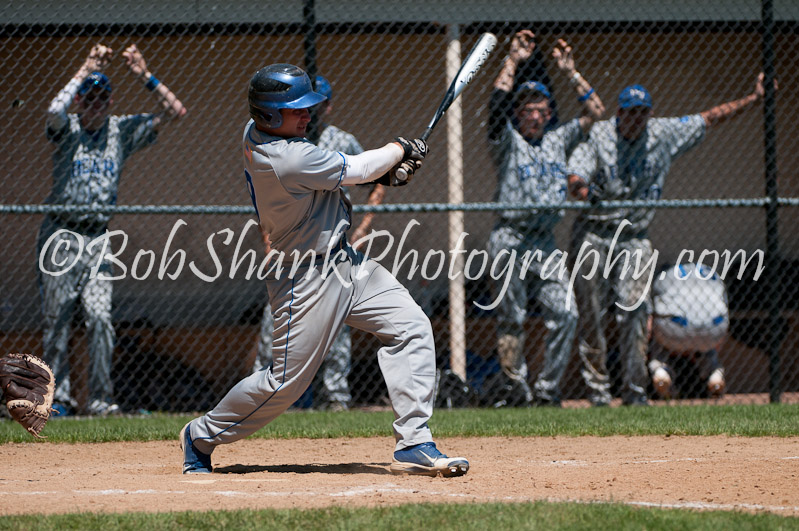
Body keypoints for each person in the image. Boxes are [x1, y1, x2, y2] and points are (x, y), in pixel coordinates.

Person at [181, 63, 468, 477]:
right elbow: (357, 170)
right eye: (296, 109)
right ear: (270, 116)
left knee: (411, 327)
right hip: (305, 278)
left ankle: (414, 441)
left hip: (346, 262)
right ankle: (201, 435)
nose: (307, 115)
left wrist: (389, 168)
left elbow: (350, 174)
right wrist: (400, 149)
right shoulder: (283, 157)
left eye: (307, 107)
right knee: (285, 384)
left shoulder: (262, 133)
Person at [567, 74, 773, 406]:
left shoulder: (662, 134)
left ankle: (635, 391)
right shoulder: (599, 136)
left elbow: (710, 117)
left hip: (634, 238)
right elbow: (575, 177)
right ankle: (598, 392)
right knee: (591, 315)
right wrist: (584, 190)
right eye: (630, 112)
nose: (636, 119)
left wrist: (753, 99)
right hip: (594, 232)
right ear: (618, 112)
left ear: (649, 114)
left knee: (634, 313)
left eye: (642, 112)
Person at [37, 43, 187, 416]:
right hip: (61, 235)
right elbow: (54, 109)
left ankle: (101, 400)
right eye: (89, 97)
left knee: (101, 318)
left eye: (102, 97)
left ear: (111, 100)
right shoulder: (67, 127)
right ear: (80, 100)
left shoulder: (120, 130)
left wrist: (143, 73)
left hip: (98, 237)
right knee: (57, 322)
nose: (96, 104)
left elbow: (176, 111)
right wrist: (84, 68)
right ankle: (60, 400)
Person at [485, 30, 605, 407]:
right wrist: (513, 60)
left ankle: (547, 391)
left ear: (549, 113)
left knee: (566, 313)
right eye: (525, 109)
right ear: (517, 114)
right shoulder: (507, 141)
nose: (532, 115)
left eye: (539, 108)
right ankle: (515, 388)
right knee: (511, 319)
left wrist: (570, 71)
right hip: (509, 236)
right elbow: (495, 105)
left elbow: (597, 113)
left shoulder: (558, 138)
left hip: (544, 242)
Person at [252, 75, 386, 411]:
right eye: (306, 106)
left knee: (336, 326)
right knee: (275, 326)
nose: (312, 112)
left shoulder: (341, 139)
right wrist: (268, 240)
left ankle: (335, 399)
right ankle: (262, 394)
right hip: (290, 249)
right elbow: (267, 199)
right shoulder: (281, 141)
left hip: (332, 248)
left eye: (319, 105)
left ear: (328, 105)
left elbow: (375, 181)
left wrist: (364, 227)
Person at [648, 262, 728, 399]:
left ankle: (659, 369)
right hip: (714, 326)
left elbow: (649, 318)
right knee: (707, 345)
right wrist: (718, 341)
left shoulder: (662, 276)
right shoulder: (708, 271)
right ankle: (714, 372)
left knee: (659, 344)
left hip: (674, 327)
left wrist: (650, 338)